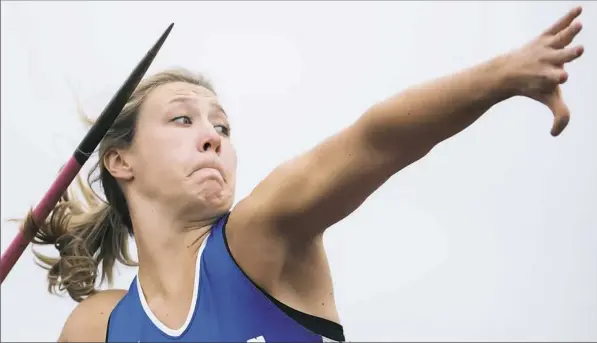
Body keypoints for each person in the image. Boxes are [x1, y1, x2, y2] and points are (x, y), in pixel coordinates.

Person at [28, 7, 584, 343]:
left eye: (222, 126)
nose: (213, 136)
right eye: (183, 118)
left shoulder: (259, 237)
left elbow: (375, 139)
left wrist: (502, 76)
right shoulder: (95, 328)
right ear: (120, 160)